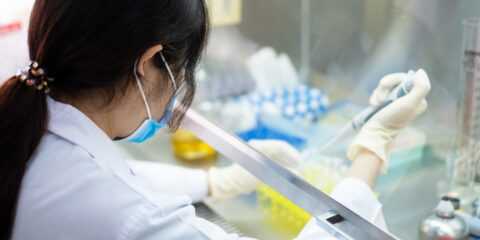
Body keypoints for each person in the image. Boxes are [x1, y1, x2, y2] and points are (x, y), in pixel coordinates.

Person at [0, 0, 431, 239]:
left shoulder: (25, 123)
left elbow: (121, 176)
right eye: (182, 70)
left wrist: (215, 183)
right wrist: (373, 146)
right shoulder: (131, 219)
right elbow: (126, 202)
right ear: (150, 63)